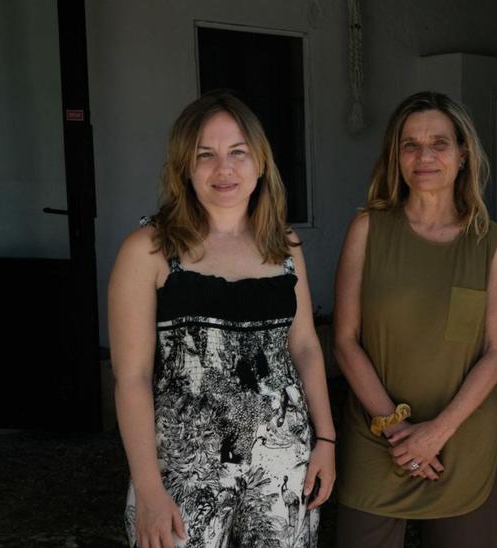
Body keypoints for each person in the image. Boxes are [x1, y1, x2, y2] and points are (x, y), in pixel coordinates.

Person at [108, 91, 336, 548]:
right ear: (184, 167)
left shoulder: (284, 245)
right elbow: (131, 377)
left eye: (238, 152)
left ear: (260, 163)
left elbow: (306, 346)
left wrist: (326, 440)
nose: (224, 169)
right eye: (205, 155)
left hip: (282, 465)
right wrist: (149, 489)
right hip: (182, 471)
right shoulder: (149, 249)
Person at [332, 91, 497, 548]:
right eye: (410, 145)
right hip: (378, 436)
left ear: (463, 153)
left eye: (439, 143)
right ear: (395, 156)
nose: (424, 156)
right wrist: (397, 430)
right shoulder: (367, 229)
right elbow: (345, 340)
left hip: (462, 437)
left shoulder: (488, 242)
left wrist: (437, 433)